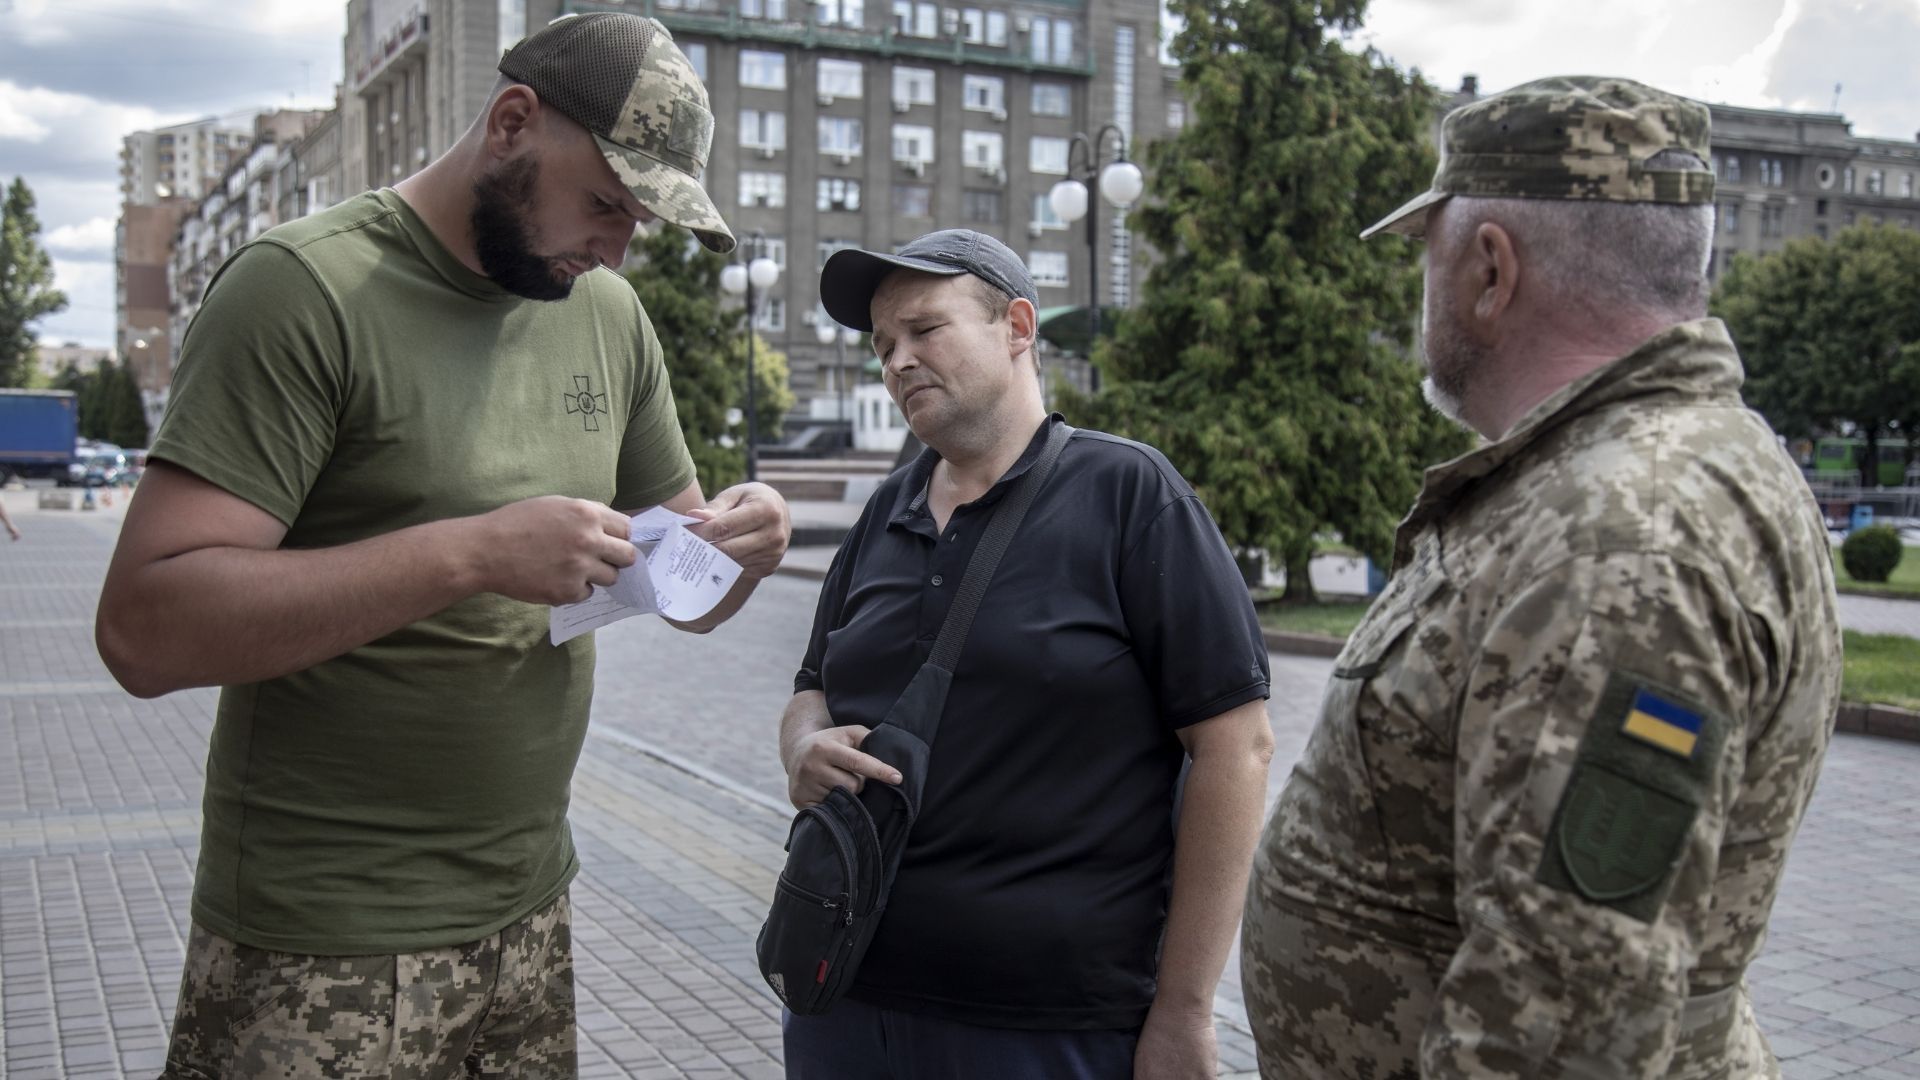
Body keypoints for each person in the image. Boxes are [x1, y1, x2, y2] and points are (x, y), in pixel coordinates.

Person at [95, 13, 790, 1077]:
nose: (616, 248)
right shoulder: (303, 289)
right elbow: (146, 631)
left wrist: (745, 548)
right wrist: (468, 556)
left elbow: (681, 581)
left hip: (531, 914)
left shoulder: (606, 313)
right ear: (511, 123)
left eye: (640, 220)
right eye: (607, 203)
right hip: (323, 942)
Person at [1241, 76, 1844, 1078]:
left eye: (1427, 253)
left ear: (1490, 269)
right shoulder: (1617, 480)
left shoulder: (1623, 541)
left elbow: (1564, 1017)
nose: (1421, 287)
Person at [781, 228, 1277, 1079]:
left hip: (1053, 1024)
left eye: (924, 329)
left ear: (1016, 326)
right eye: (883, 345)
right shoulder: (885, 511)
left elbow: (1236, 748)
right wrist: (801, 744)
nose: (898, 362)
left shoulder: (1129, 494)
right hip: (846, 996)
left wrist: (1185, 1010)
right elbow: (811, 687)